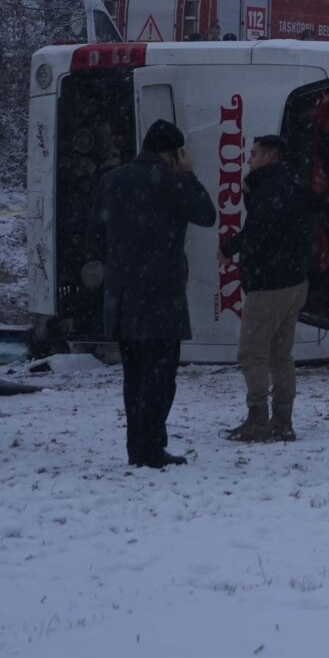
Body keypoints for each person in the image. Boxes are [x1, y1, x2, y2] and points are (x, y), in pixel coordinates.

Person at [89, 120, 218, 469]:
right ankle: (152, 446)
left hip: (124, 295)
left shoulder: (111, 180)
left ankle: (136, 447)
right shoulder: (174, 181)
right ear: (174, 153)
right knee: (161, 378)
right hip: (162, 296)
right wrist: (188, 175)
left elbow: (94, 235)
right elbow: (207, 215)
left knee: (134, 377)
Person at [222, 133, 313, 441]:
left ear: (271, 156)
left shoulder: (272, 187)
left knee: (252, 352)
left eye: (254, 153)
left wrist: (230, 247)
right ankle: (283, 419)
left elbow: (259, 227)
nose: (249, 158)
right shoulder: (293, 183)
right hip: (294, 280)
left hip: (269, 282)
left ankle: (258, 418)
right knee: (281, 354)